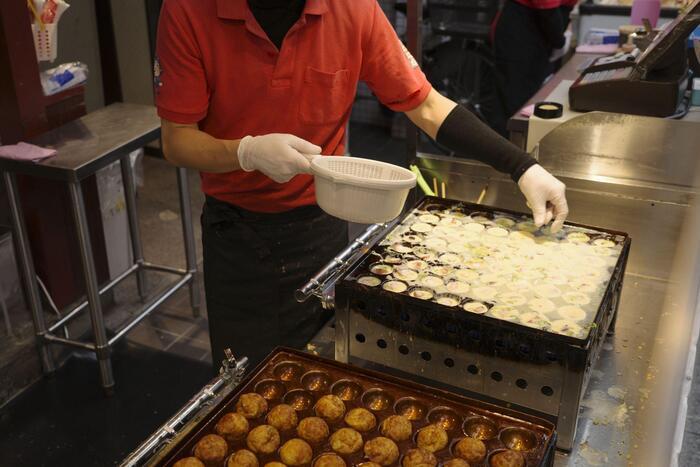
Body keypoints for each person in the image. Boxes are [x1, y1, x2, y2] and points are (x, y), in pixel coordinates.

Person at [155, 0, 569, 368]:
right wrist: (245, 152)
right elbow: (177, 140)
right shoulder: (190, 10)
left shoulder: (351, 7)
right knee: (244, 382)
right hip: (237, 237)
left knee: (320, 366)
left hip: (323, 224)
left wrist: (521, 166)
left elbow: (424, 104)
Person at [493, 0, 576, 131]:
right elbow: (545, 6)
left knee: (537, 94)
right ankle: (510, 147)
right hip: (524, 27)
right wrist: (559, 40)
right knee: (517, 105)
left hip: (546, 25)